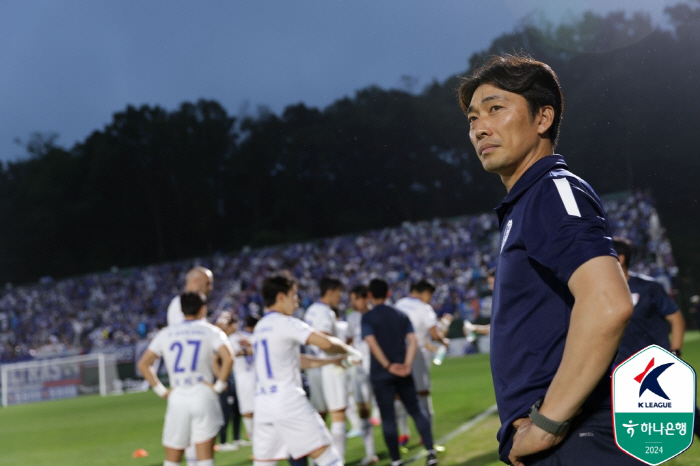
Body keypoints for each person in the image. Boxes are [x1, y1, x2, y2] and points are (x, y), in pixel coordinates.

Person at [458, 54, 638, 466]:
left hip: (581, 438)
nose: (479, 127)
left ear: (542, 119)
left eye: (495, 108)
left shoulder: (549, 191)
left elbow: (608, 304)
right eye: (472, 119)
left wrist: (547, 424)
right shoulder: (527, 202)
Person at [252, 272, 360, 466]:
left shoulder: (260, 327)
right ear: (280, 297)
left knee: (264, 463)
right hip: (288, 400)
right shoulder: (285, 322)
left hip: (263, 405)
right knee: (329, 458)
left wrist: (330, 361)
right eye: (294, 295)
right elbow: (325, 342)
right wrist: (350, 350)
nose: (297, 301)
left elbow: (295, 361)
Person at [137, 292, 234, 466]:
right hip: (203, 394)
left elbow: (144, 364)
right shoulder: (210, 330)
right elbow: (228, 357)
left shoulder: (166, 333)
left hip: (178, 396)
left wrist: (162, 392)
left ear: (181, 310)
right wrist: (219, 386)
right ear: (203, 309)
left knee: (173, 459)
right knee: (205, 458)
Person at [362, 278, 437, 466]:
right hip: (403, 372)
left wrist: (388, 366)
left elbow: (371, 342)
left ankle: (396, 460)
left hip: (381, 374)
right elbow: (412, 340)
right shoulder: (400, 314)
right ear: (388, 293)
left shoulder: (368, 317)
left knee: (388, 417)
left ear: (370, 295)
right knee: (416, 410)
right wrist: (407, 364)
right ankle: (430, 451)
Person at [165, 266, 215, 465]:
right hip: (192, 383)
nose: (211, 287)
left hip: (191, 384)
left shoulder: (186, 305)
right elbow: (189, 339)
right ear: (196, 282)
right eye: (208, 282)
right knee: (197, 439)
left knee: (196, 439)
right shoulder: (180, 306)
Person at [394, 279, 449, 448]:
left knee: (399, 396)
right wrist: (444, 339)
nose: (430, 300)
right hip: (416, 355)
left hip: (397, 354)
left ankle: (403, 434)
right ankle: (426, 437)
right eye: (430, 296)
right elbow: (434, 333)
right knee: (423, 394)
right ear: (426, 293)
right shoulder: (424, 308)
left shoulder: (399, 304)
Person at [303, 277, 349, 459]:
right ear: (330, 291)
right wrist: (346, 351)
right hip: (329, 365)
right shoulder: (325, 312)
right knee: (338, 412)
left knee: (319, 416)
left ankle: (320, 461)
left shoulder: (311, 310)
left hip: (313, 367)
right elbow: (324, 341)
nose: (341, 296)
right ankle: (339, 460)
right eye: (339, 292)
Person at [346, 284, 378, 465]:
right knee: (364, 411)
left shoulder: (377, 314)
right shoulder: (351, 318)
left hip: (379, 368)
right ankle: (370, 453)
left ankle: (396, 443)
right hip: (359, 371)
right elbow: (349, 340)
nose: (353, 303)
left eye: (355, 299)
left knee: (391, 407)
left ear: (366, 297)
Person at [214, 312, 243, 452]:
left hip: (230, 377)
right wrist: (221, 379)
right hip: (224, 378)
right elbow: (214, 361)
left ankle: (236, 437)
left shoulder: (225, 337)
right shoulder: (217, 337)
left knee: (236, 409)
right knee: (225, 410)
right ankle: (223, 441)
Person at [230, 314, 259, 448]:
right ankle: (254, 441)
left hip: (254, 377)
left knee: (256, 409)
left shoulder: (255, 337)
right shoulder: (236, 338)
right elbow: (231, 354)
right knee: (248, 409)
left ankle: (258, 439)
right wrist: (246, 350)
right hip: (245, 376)